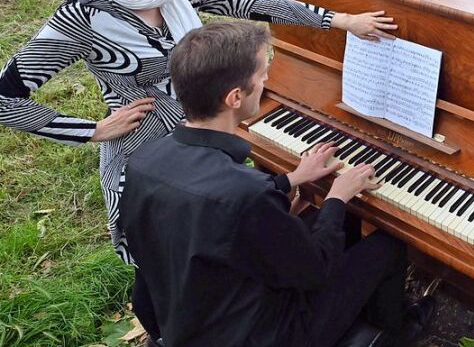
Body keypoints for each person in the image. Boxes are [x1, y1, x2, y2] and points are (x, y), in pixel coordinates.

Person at [0, 0, 397, 258]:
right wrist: (91, 130)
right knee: (173, 253)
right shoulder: (81, 18)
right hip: (147, 154)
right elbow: (5, 99)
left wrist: (341, 21)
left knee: (227, 239)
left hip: (211, 139)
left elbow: (256, 4)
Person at [121, 20, 433, 346]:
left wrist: (291, 179)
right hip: (265, 335)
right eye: (262, 75)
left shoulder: (145, 161)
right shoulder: (247, 195)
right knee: (387, 245)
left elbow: (209, 209)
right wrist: (337, 197)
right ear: (235, 97)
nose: (269, 79)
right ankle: (398, 333)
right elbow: (314, 269)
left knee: (332, 224)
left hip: (188, 317)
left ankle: (356, 309)